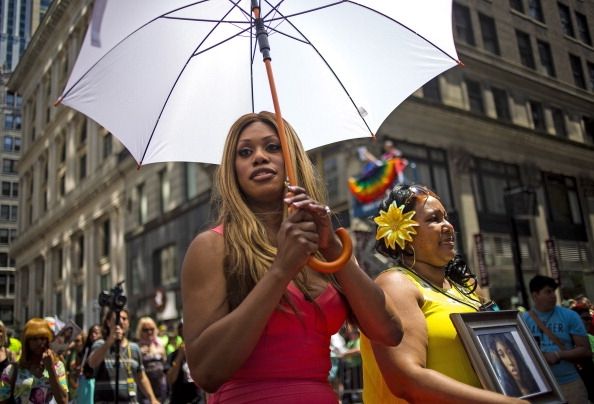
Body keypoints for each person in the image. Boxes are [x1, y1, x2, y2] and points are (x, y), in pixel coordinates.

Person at [181, 111, 403, 402]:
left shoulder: (327, 248)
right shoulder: (211, 247)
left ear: (294, 158)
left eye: (273, 147)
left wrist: (334, 250)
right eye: (245, 152)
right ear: (232, 170)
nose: (259, 157)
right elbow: (206, 372)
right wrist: (280, 271)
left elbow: (390, 332)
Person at [360, 183, 526, 403]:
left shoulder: (464, 287)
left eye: (446, 217)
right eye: (433, 219)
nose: (448, 225)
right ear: (404, 232)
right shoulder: (396, 284)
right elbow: (406, 381)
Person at [521, 275, 591, 404]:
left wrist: (558, 355)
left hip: (570, 383)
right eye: (548, 292)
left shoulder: (570, 316)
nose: (553, 295)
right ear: (535, 295)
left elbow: (585, 350)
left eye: (553, 291)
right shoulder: (523, 320)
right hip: (540, 387)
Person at [87, 309, 159, 404]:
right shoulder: (100, 345)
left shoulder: (134, 348)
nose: (121, 321)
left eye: (124, 318)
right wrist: (109, 341)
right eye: (116, 318)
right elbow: (92, 363)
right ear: (108, 322)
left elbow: (141, 377)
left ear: (128, 323)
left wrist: (152, 399)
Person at [0, 317, 68, 404]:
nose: (39, 342)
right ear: (27, 341)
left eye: (43, 338)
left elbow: (63, 401)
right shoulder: (12, 370)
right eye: (35, 338)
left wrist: (51, 369)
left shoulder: (58, 366)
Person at [481, 333, 539, 397]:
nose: (510, 362)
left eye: (509, 353)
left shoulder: (535, 383)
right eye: (502, 355)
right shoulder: (506, 394)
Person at [165, 321, 202, 403]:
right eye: (181, 329)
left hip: (198, 399)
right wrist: (180, 356)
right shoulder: (172, 356)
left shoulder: (199, 352)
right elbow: (170, 379)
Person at [135, 316, 168, 403]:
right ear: (140, 331)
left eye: (152, 329)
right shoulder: (136, 348)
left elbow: (165, 364)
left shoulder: (160, 345)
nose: (149, 332)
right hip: (145, 391)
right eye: (145, 330)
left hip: (161, 388)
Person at [570, 303, 594, 402]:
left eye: (589, 318)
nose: (589, 321)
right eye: (585, 319)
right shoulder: (566, 342)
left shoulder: (591, 338)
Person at [76, 324, 101, 404]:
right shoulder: (86, 348)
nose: (93, 335)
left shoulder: (102, 349)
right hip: (86, 381)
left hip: (96, 383)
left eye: (96, 333)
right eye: (91, 333)